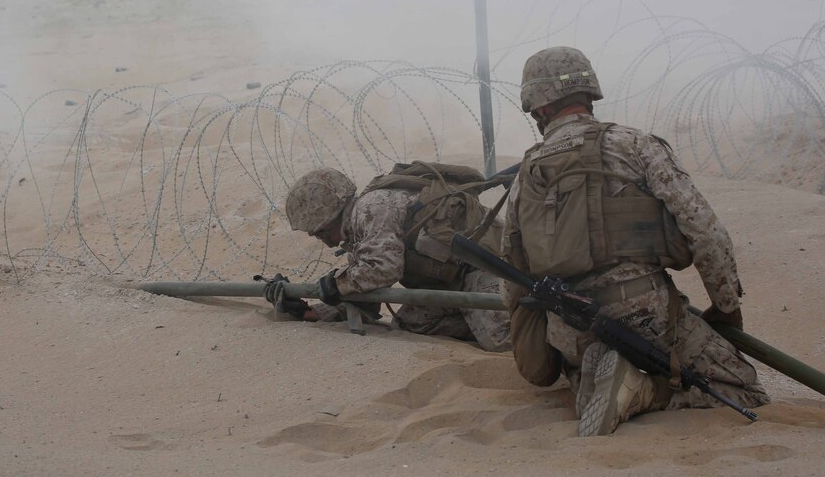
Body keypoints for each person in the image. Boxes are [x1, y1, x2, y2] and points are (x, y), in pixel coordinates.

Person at [502, 46, 769, 436]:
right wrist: (725, 307)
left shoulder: (527, 172)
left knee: (584, 369)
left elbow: (511, 272)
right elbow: (708, 235)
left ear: (538, 107)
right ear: (589, 94)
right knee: (744, 389)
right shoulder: (634, 145)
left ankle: (589, 377)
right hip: (646, 312)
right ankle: (647, 391)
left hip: (570, 324)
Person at [275, 165, 512, 352]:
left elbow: (384, 269)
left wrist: (335, 283)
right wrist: (310, 311)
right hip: (451, 281)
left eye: (315, 227)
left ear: (329, 217)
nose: (311, 234)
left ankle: (517, 319)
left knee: (500, 340)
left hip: (484, 266)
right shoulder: (358, 232)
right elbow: (366, 300)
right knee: (411, 322)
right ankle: (478, 320)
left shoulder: (371, 209)